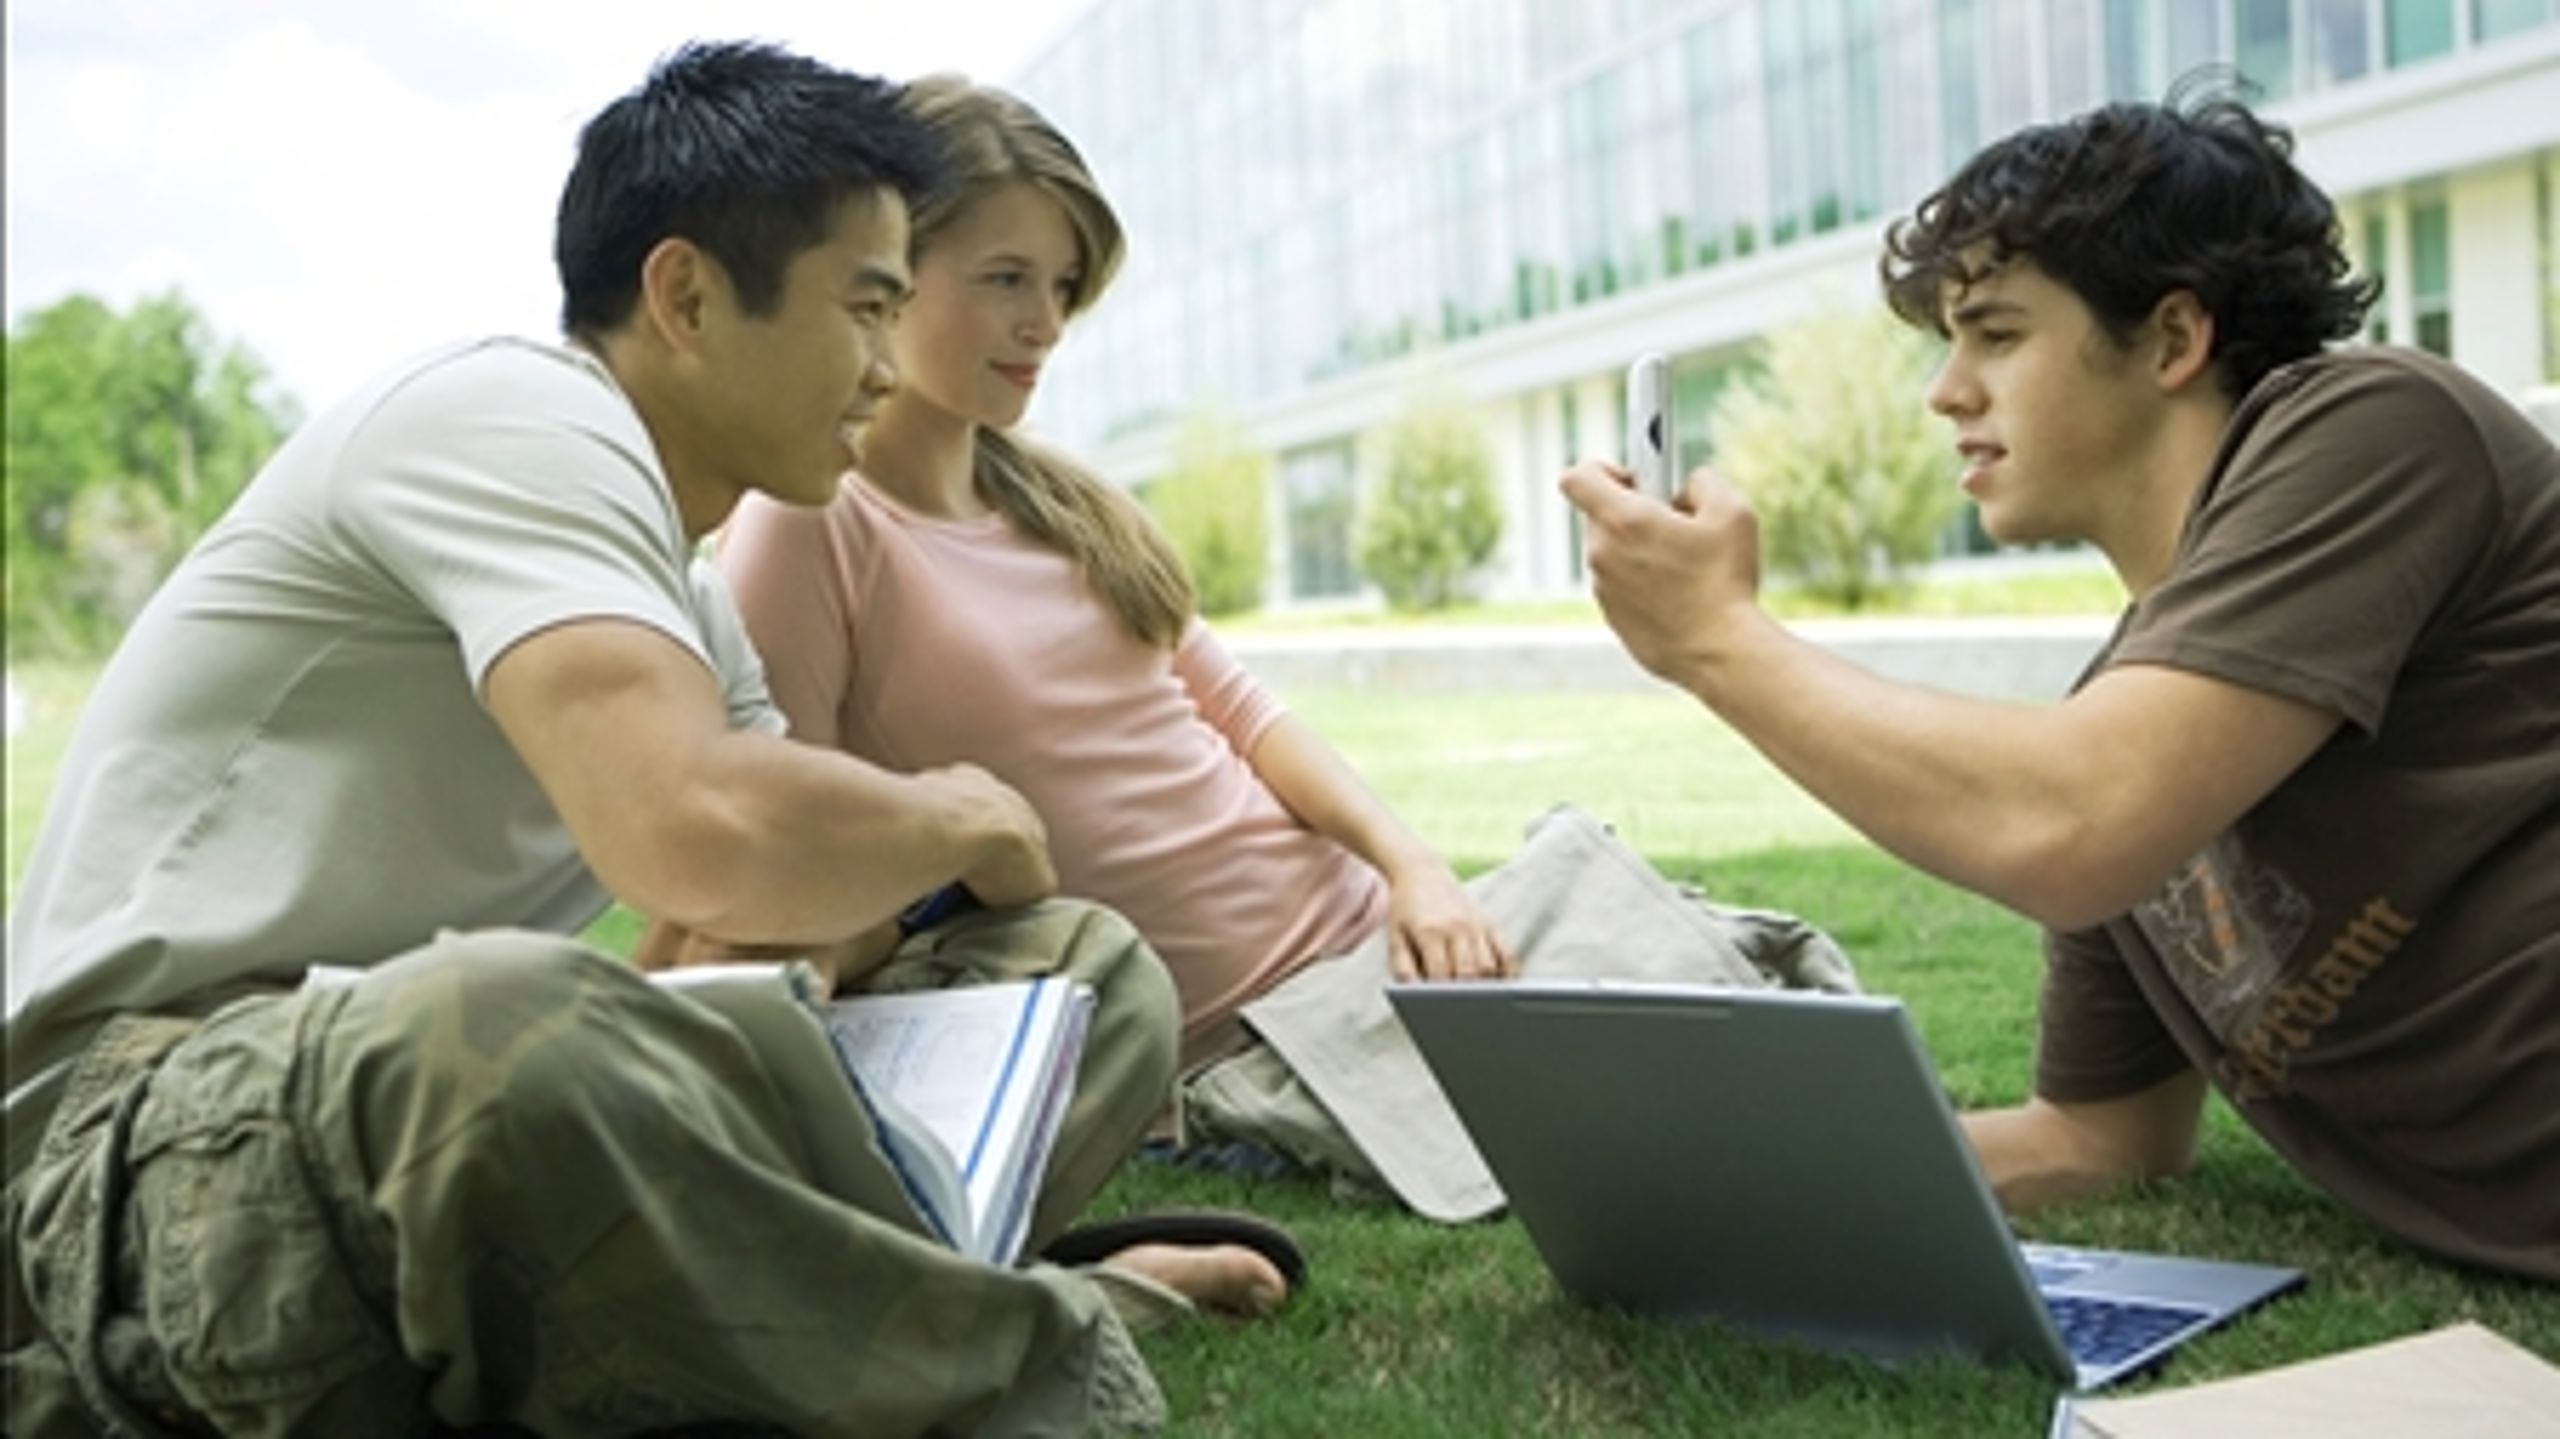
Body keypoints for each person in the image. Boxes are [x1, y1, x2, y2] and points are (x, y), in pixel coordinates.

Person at [3, 43, 1284, 1438]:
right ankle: (1035, 1338)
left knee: (1079, 972)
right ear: (684, 293)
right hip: (137, 1131)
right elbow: (698, 824)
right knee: (497, 1023)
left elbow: (721, 931)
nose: (880, 367)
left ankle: (771, 1318)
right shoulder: (511, 419)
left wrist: (836, 923)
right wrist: (965, 816)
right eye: (866, 307)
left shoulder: (681, 587)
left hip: (427, 1149)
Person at [710, 76, 1857, 1223]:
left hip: (1371, 939)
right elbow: (794, 851)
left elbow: (1246, 719)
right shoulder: (817, 524)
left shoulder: (1060, 499)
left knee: (1738, 1002)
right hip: (1236, 1043)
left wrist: (1412, 868)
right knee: (1668, 1110)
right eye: (1005, 278)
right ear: (888, 271)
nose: (1045, 322)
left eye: (1061, 285)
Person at [1561, 90, 2559, 1283]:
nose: (1944, 390)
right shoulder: (2130, 724)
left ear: (2172, 339)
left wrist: (1714, 637)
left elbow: (2072, 821)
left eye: (1994, 332)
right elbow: (2101, 1135)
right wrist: (1732, 1165)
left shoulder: (2378, 426)